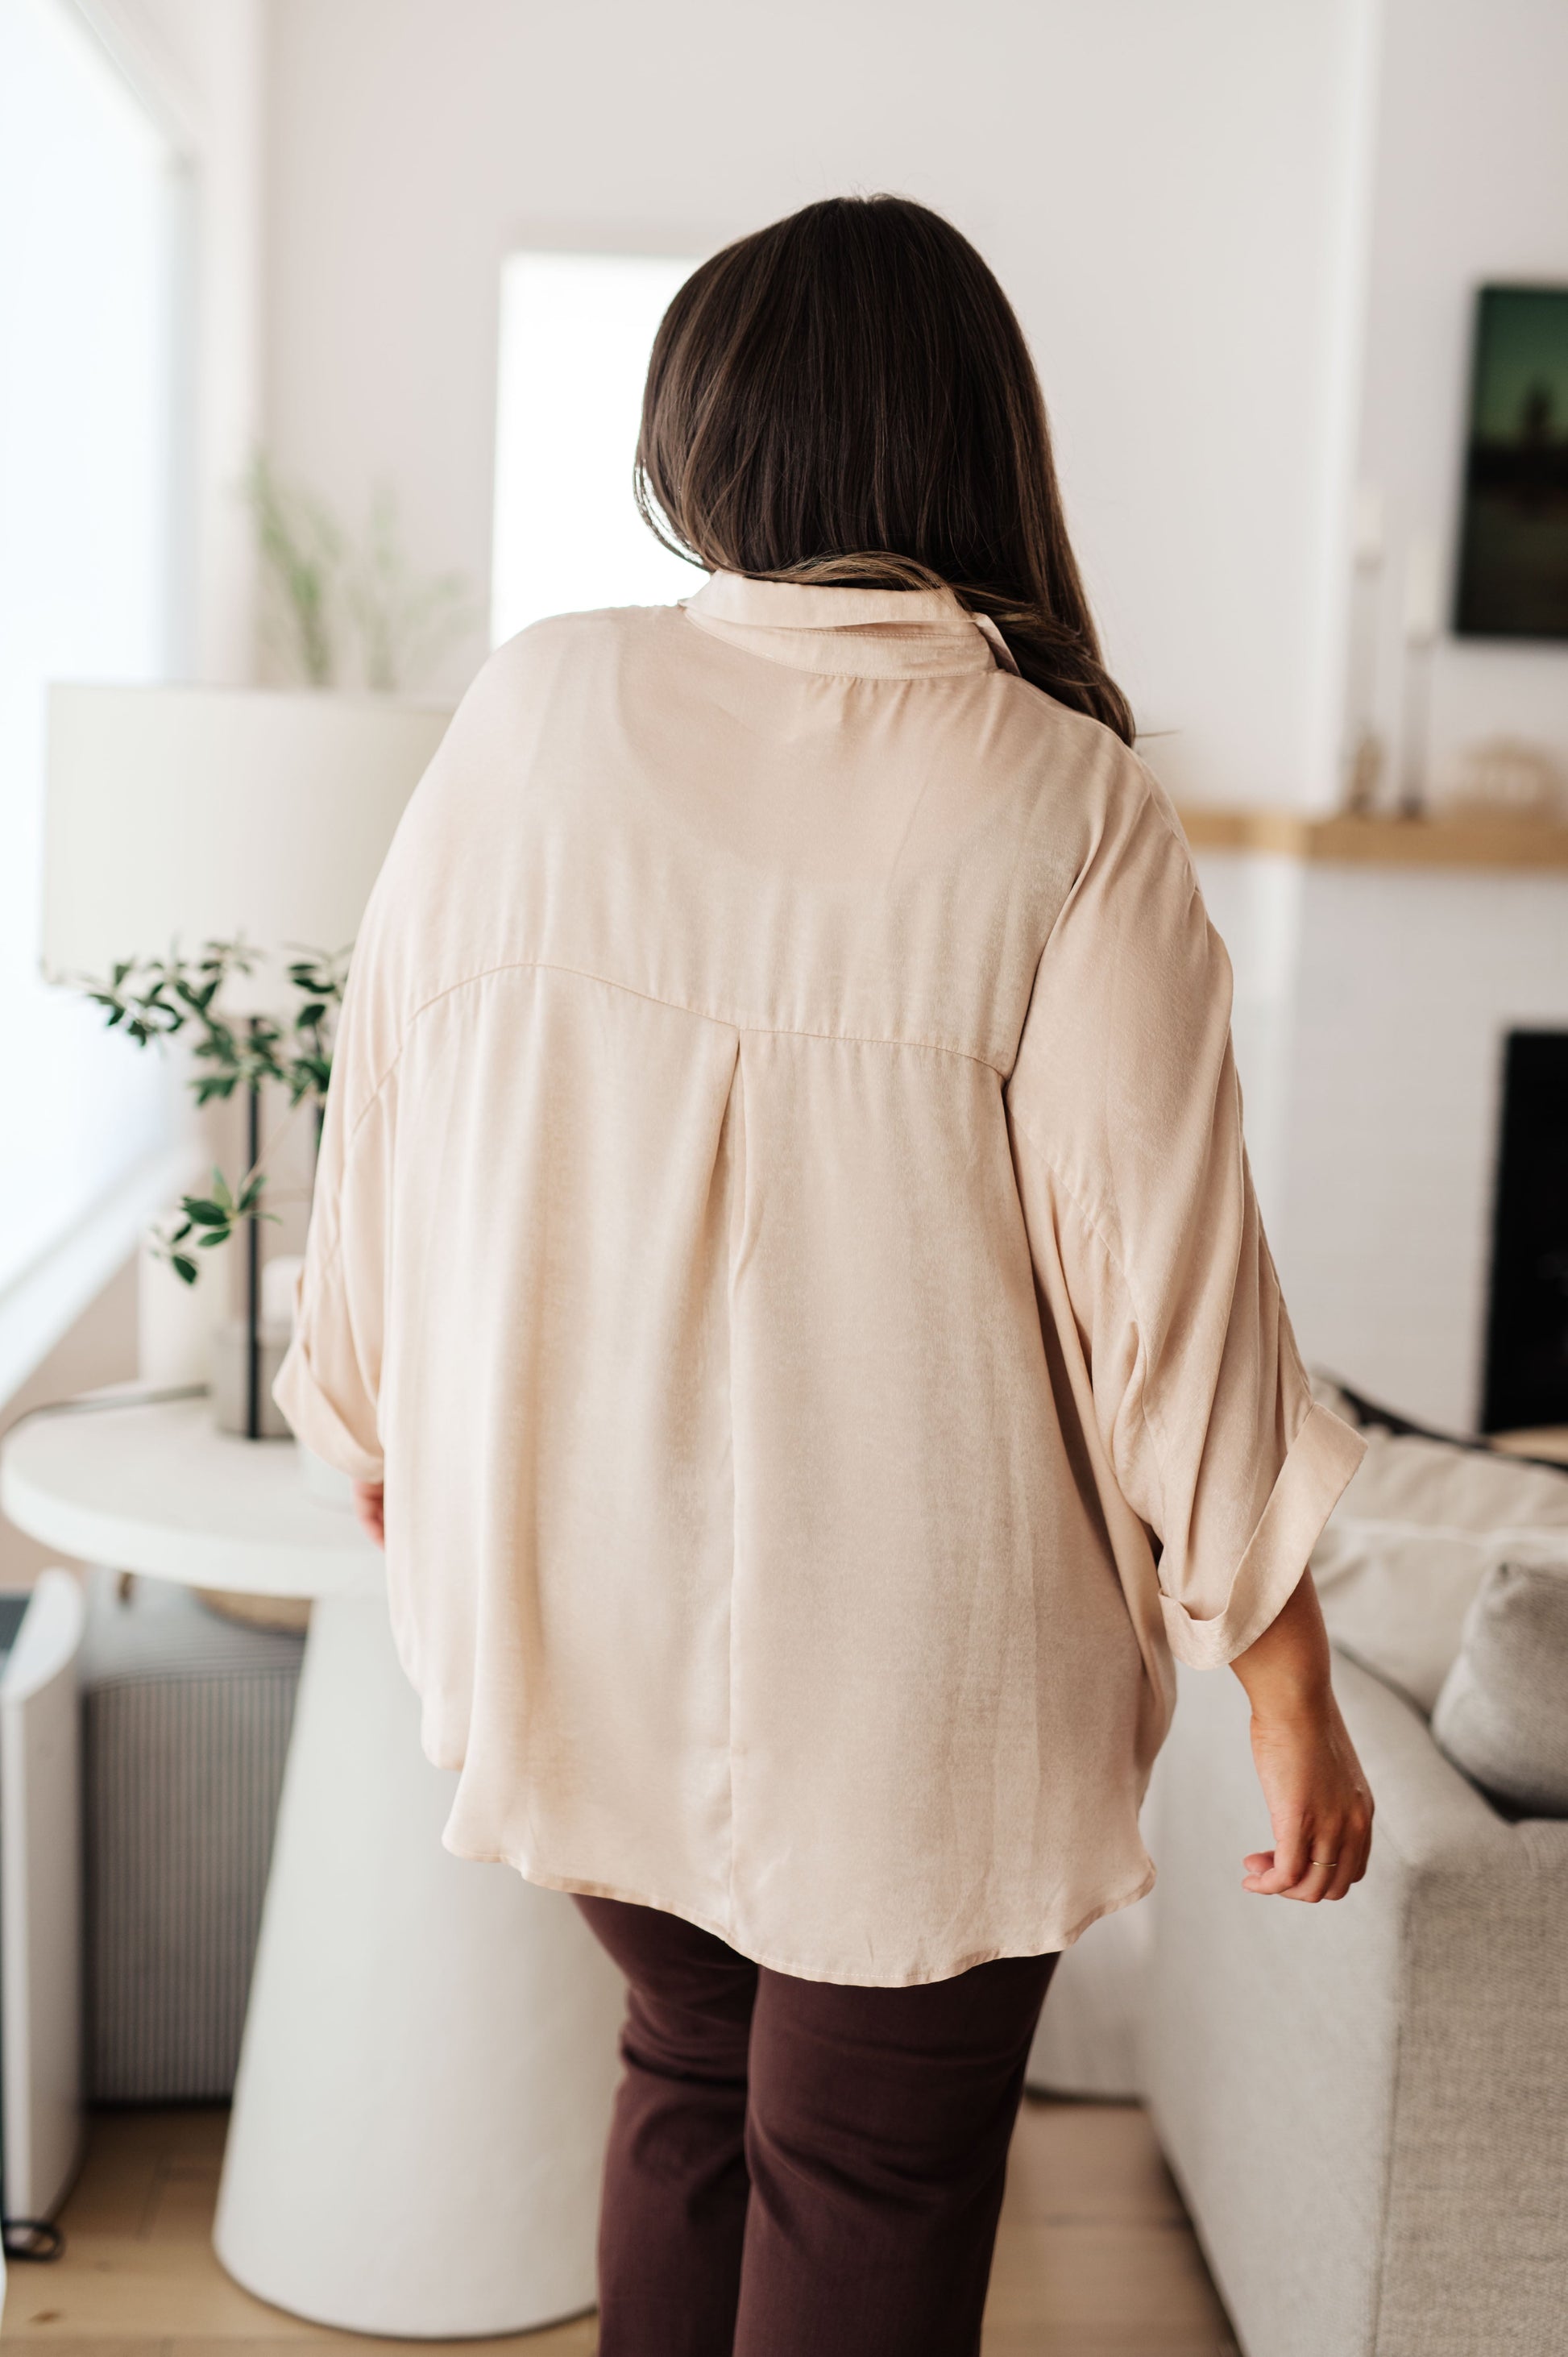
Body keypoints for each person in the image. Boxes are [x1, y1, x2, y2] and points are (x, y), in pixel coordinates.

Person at [276, 194, 1373, 2357]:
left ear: (699, 446)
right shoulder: (1063, 801)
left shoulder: (533, 707)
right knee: (860, 2169)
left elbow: (377, 1105)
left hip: (575, 1612)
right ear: (982, 449)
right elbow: (1172, 1298)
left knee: (685, 2079)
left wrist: (373, 1422)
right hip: (914, 1692)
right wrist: (1286, 1684)